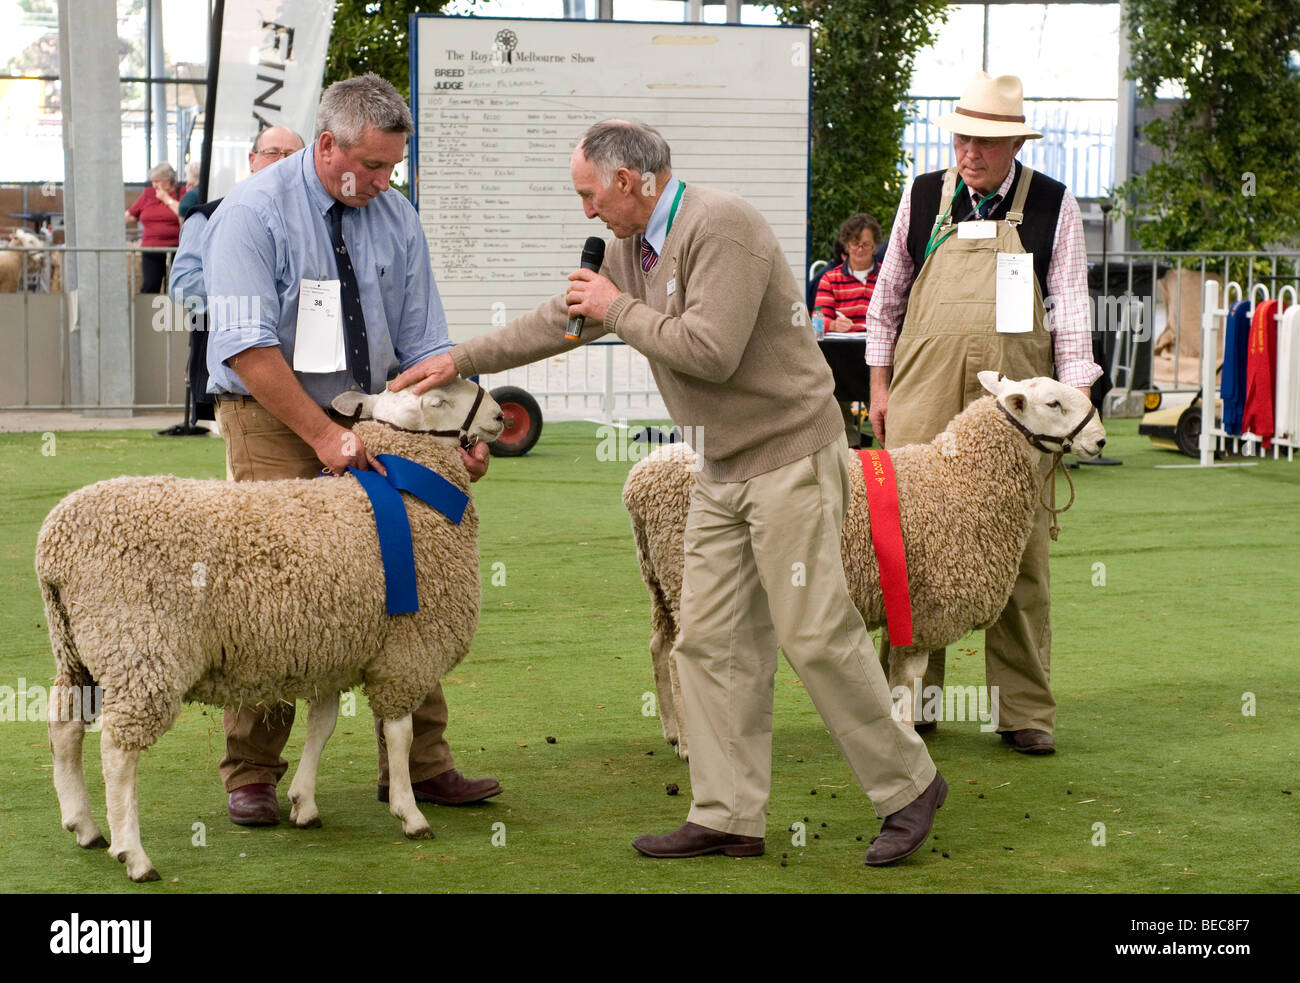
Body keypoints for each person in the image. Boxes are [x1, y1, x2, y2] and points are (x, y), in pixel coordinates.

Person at [394, 119, 945, 867]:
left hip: (788, 456)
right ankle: (727, 814)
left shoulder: (724, 227)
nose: (585, 211)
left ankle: (909, 787)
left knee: (814, 632)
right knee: (711, 641)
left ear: (629, 182)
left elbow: (710, 351)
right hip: (718, 465)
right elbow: (564, 319)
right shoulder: (630, 247)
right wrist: (454, 359)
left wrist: (615, 307)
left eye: (589, 194)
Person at [200, 74, 499, 826]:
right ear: (326, 144)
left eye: (391, 167)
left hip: (380, 415)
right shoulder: (251, 213)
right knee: (274, 579)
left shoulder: (397, 217)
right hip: (272, 411)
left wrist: (454, 429)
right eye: (368, 166)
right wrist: (323, 435)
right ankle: (253, 771)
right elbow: (245, 347)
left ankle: (423, 764)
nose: (379, 182)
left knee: (414, 569)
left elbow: (428, 341)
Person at [864, 71, 1103, 754]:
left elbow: (1074, 318)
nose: (971, 151)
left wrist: (1076, 397)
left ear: (1013, 144)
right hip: (919, 394)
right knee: (908, 548)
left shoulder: (1053, 205)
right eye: (964, 138)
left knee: (1018, 554)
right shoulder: (921, 198)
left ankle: (1023, 708)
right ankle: (915, 699)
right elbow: (886, 304)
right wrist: (879, 389)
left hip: (1016, 405)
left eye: (987, 142)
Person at [170, 127, 306, 422]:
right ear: (252, 159)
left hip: (308, 380)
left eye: (291, 154)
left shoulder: (315, 224)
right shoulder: (208, 215)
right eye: (272, 153)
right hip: (234, 378)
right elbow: (183, 287)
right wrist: (250, 289)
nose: (281, 161)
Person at [815, 212, 882, 447]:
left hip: (879, 356)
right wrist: (832, 324)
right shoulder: (830, 278)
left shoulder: (887, 276)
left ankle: (889, 441)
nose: (860, 249)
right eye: (855, 244)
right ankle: (849, 442)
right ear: (846, 245)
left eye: (866, 244)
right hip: (842, 357)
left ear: (875, 246)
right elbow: (817, 319)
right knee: (828, 385)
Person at [125, 162, 182, 293]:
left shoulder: (181, 192)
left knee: (178, 286)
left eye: (158, 181)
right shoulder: (148, 194)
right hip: (151, 248)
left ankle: (178, 312)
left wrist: (166, 198)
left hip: (176, 248)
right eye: (153, 181)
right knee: (150, 285)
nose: (154, 185)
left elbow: (184, 212)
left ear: (168, 181)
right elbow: (131, 214)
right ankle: (147, 313)